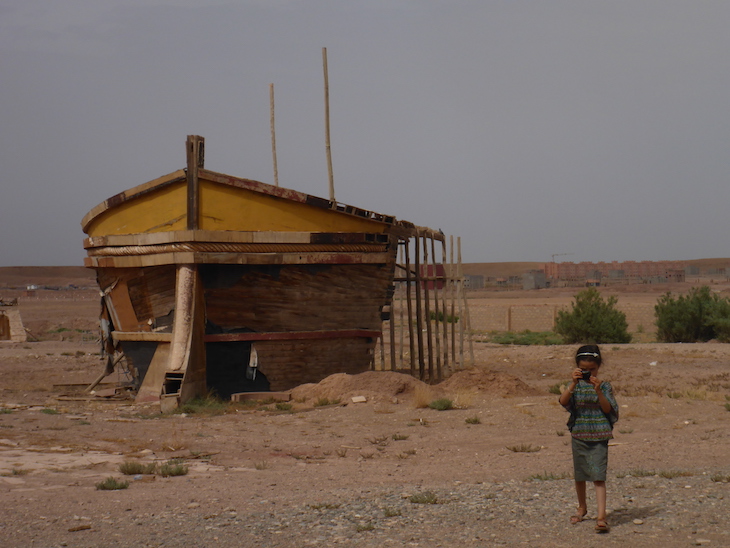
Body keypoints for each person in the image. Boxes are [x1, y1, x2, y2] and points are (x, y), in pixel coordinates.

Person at [558, 344, 618, 533]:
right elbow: (563, 401)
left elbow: (608, 409)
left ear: (598, 367)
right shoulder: (575, 386)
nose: (588, 373)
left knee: (598, 476)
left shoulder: (605, 386)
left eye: (591, 370)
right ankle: (582, 508)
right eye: (584, 370)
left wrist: (599, 391)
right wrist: (574, 383)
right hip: (580, 433)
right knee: (580, 474)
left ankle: (601, 517)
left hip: (599, 435)